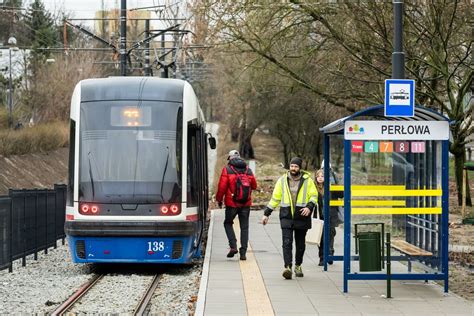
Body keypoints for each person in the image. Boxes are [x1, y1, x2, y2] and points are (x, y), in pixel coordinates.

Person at [261, 157, 318, 279]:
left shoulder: (308, 181)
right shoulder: (282, 180)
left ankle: (298, 265)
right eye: (292, 166)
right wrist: (266, 214)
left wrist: (309, 207)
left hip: (302, 216)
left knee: (300, 244)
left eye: (296, 166)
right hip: (286, 216)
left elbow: (314, 195)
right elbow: (275, 198)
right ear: (289, 167)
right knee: (287, 242)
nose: (293, 168)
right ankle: (287, 267)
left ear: (300, 168)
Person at [216, 150, 257, 261]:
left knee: (228, 223)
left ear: (230, 158)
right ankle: (243, 253)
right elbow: (254, 185)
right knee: (244, 227)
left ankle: (233, 246)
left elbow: (222, 188)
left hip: (232, 203)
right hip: (245, 203)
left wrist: (219, 200)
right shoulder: (248, 170)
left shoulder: (227, 169)